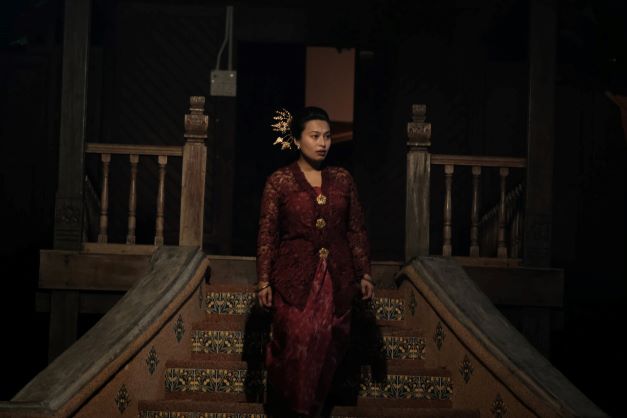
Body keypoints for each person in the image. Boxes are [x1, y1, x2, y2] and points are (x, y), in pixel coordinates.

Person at [256, 106, 375, 417]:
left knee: (329, 338)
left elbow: (355, 229)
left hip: (337, 276)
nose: (322, 143)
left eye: (327, 136)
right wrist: (264, 280)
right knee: (299, 337)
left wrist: (364, 273)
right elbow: (268, 232)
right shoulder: (280, 181)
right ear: (297, 140)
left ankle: (313, 409)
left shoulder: (342, 180)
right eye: (314, 136)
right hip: (294, 277)